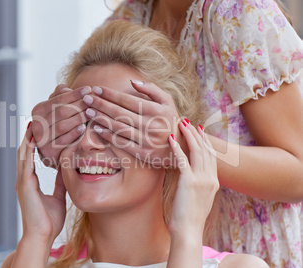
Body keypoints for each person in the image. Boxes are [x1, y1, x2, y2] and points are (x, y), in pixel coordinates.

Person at [30, 0, 303, 266]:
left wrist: (180, 143)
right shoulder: (129, 15)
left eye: (121, 125)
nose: (89, 141)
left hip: (237, 244)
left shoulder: (239, 12)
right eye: (84, 126)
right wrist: (57, 134)